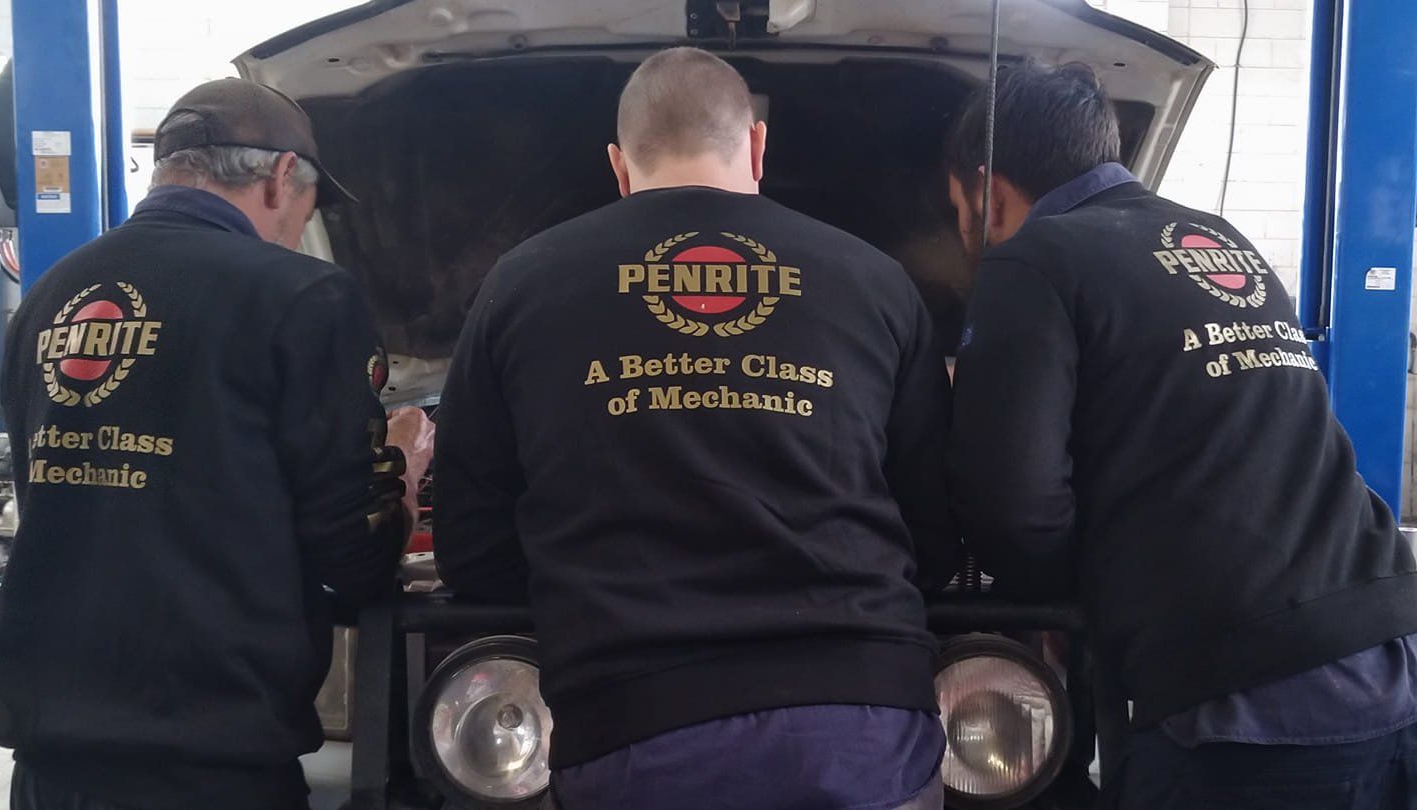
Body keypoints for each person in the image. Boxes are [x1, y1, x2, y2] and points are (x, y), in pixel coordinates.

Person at [434, 47, 958, 810]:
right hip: (865, 723)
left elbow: (471, 544)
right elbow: (935, 531)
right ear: (757, 145)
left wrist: (579, 595)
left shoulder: (522, 283)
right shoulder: (875, 279)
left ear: (619, 165)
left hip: (632, 725)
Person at [945, 62, 1417, 809]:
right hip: (1389, 655)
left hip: (1246, 710)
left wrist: (1056, 610)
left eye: (963, 215)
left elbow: (1014, 502)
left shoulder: (1035, 261)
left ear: (988, 191)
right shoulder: (1220, 239)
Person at [0, 78, 436, 810]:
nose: (297, 231)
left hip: (47, 766)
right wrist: (401, 474)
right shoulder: (303, 298)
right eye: (308, 210)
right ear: (283, 177)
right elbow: (355, 556)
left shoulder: (50, 297)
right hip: (204, 765)